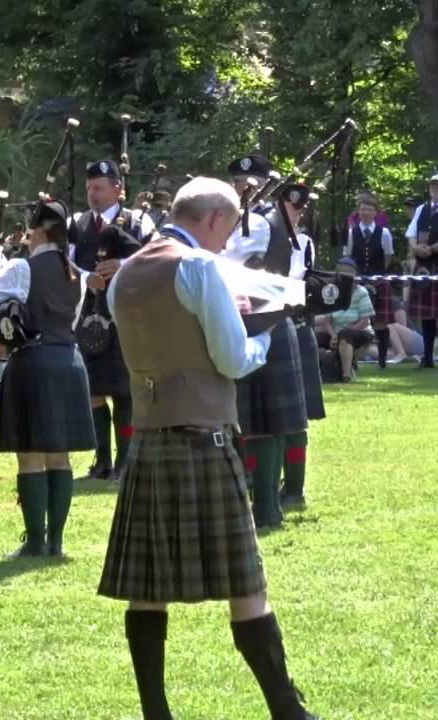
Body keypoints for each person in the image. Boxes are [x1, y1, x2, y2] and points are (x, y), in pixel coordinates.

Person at [100, 177, 320, 720]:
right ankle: (287, 711)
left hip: (149, 438)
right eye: (229, 228)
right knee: (247, 582)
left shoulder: (124, 273)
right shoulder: (198, 268)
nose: (228, 243)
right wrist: (267, 332)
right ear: (216, 219)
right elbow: (232, 360)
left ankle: (156, 711)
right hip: (205, 433)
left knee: (146, 583)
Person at [0, 197, 95, 558]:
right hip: (69, 362)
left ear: (38, 231)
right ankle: (57, 542)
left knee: (31, 459)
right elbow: (68, 322)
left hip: (33, 365)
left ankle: (36, 542)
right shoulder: (77, 275)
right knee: (60, 457)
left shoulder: (21, 269)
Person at [224, 154, 307, 530]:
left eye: (249, 182)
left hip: (261, 319)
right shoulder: (253, 220)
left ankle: (268, 507)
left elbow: (233, 264)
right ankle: (262, 504)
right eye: (237, 182)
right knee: (253, 420)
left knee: (265, 420)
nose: (242, 187)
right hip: (261, 319)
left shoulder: (258, 222)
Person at [70, 160, 152, 482]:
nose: (92, 194)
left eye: (99, 188)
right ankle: (102, 461)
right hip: (90, 314)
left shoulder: (138, 222)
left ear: (117, 188)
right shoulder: (77, 224)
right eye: (89, 188)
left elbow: (156, 257)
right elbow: (67, 261)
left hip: (127, 315)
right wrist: (87, 277)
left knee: (124, 392)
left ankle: (126, 462)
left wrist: (123, 266)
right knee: (93, 391)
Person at [275, 184, 322, 511]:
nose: (298, 213)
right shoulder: (252, 236)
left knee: (295, 418)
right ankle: (260, 482)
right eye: (293, 207)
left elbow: (290, 281)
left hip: (293, 327)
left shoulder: (302, 244)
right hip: (261, 328)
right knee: (258, 419)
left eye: (300, 209)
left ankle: (294, 488)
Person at [341, 193, 395, 369]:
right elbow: (347, 257)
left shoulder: (384, 233)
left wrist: (377, 277)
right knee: (356, 320)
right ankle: (353, 359)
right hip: (357, 283)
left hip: (379, 281)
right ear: (358, 211)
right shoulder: (351, 233)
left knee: (381, 322)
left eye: (369, 209)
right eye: (362, 209)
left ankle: (382, 362)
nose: (365, 212)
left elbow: (388, 256)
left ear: (375, 212)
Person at [315, 258, 375, 382]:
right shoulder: (332, 292)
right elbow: (327, 320)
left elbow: (364, 321)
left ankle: (346, 376)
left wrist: (339, 334)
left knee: (345, 335)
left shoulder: (361, 292)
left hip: (360, 332)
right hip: (336, 333)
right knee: (314, 337)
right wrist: (333, 335)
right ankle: (316, 375)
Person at [404, 175, 438, 368]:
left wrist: (433, 248)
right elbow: (410, 234)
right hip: (423, 267)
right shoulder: (421, 209)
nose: (435, 188)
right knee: (426, 315)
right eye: (433, 185)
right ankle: (427, 357)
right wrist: (416, 247)